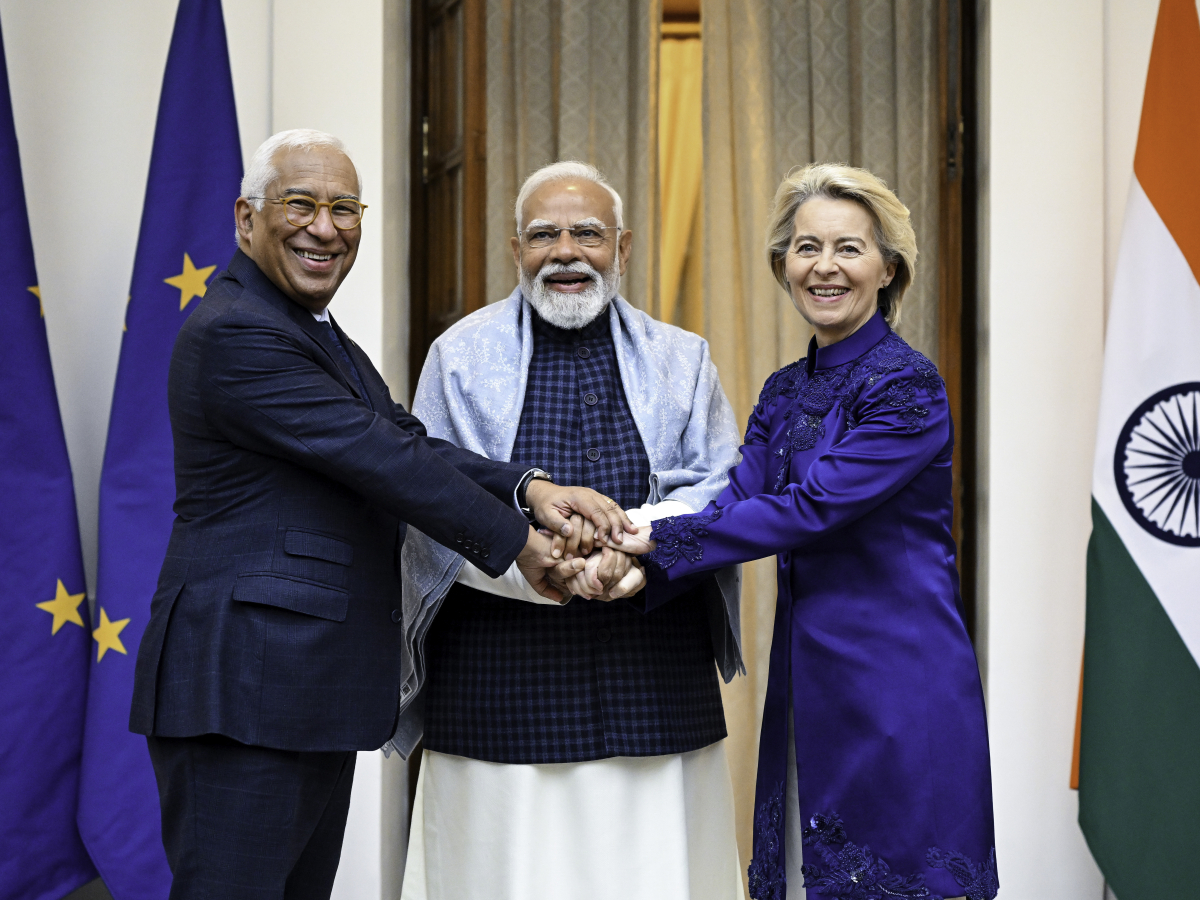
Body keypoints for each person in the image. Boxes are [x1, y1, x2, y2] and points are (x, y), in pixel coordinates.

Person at [128, 131, 630, 900]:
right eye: (300, 204)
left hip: (299, 689)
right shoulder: (238, 331)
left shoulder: (310, 332)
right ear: (245, 220)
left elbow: (401, 438)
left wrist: (528, 488)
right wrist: (519, 545)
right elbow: (380, 459)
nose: (324, 228)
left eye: (343, 208)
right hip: (242, 689)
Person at [636, 163, 998, 900]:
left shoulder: (907, 385)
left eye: (848, 248)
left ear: (888, 268)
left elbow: (809, 507)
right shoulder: (783, 388)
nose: (824, 267)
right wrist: (628, 542)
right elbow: (738, 498)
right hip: (808, 682)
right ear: (782, 265)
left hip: (899, 686)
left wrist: (651, 547)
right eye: (806, 248)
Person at [393, 161, 746, 900]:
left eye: (586, 232)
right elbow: (429, 494)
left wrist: (637, 555)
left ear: (622, 249)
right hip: (498, 684)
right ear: (515, 250)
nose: (565, 251)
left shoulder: (683, 357)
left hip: (653, 676)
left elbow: (720, 484)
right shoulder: (458, 356)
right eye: (543, 234)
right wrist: (538, 567)